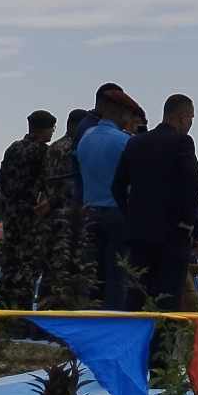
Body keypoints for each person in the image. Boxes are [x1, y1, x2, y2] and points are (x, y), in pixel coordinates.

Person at [112, 94, 198, 309]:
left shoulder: (135, 142)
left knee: (136, 296)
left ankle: (135, 332)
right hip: (173, 236)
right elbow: (193, 184)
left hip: (139, 235)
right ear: (182, 117)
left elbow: (117, 186)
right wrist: (190, 224)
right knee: (167, 300)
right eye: (190, 118)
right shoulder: (182, 142)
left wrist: (130, 216)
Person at [74, 89, 139, 309]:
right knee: (117, 276)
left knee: (92, 277)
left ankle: (91, 318)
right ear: (122, 113)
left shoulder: (85, 138)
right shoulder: (125, 142)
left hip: (89, 213)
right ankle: (114, 322)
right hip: (117, 214)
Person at [0, 110, 58, 309]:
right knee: (28, 266)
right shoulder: (43, 152)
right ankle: (21, 314)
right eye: (51, 128)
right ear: (43, 129)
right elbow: (49, 183)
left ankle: (3, 312)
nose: (52, 132)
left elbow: (1, 182)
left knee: (9, 264)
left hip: (11, 213)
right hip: (31, 215)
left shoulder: (13, 148)